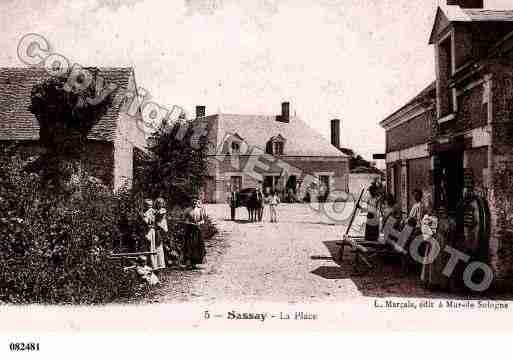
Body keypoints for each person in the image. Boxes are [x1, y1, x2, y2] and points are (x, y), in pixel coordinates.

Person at [183, 198, 207, 269]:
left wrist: (199, 223)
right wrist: (189, 223)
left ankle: (195, 262)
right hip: (190, 230)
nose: (194, 203)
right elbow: (184, 220)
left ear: (197, 202)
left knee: (197, 245)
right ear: (191, 202)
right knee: (189, 245)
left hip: (197, 230)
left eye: (195, 201)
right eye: (193, 201)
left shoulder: (200, 210)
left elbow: (203, 220)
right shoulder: (187, 210)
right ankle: (188, 263)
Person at [141, 198, 158, 270]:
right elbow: (145, 222)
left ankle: (153, 265)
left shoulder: (153, 212)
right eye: (148, 205)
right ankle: (146, 263)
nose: (149, 207)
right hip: (146, 230)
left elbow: (152, 221)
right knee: (146, 246)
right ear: (145, 205)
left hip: (151, 230)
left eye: (151, 205)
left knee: (151, 246)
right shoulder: (144, 212)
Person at [153, 197, 168, 270]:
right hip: (157, 228)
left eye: (161, 203)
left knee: (159, 244)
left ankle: (161, 263)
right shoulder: (155, 210)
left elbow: (159, 216)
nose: (160, 205)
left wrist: (155, 213)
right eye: (158, 203)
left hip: (161, 228)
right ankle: (156, 263)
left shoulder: (163, 210)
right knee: (156, 245)